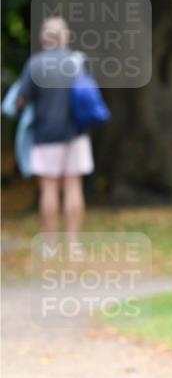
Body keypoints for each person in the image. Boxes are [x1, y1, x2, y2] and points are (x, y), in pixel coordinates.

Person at [15, 17, 94, 256]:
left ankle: (50, 245)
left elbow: (21, 100)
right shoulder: (77, 62)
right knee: (73, 186)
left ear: (43, 39)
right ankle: (73, 245)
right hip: (76, 133)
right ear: (66, 38)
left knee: (49, 188)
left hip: (45, 134)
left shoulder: (35, 64)